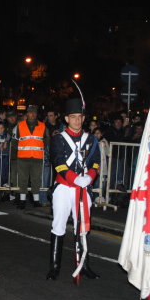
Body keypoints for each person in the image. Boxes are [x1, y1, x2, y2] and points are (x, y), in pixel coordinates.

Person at [47, 98, 101, 281]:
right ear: (67, 119)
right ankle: (54, 267)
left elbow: (95, 162)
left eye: (80, 117)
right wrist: (75, 178)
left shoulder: (92, 140)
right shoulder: (57, 139)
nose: (77, 120)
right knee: (59, 224)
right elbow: (59, 164)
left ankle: (84, 265)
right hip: (64, 186)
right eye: (73, 117)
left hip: (84, 186)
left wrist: (89, 177)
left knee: (83, 226)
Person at [14, 105, 49, 209]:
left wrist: (42, 148)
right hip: (23, 157)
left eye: (34, 112)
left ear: (36, 114)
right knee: (23, 179)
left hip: (37, 157)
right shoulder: (19, 125)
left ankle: (36, 201)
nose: (32, 114)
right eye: (30, 112)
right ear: (27, 114)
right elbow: (14, 140)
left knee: (36, 180)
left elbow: (47, 139)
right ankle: (22, 201)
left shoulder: (43, 126)